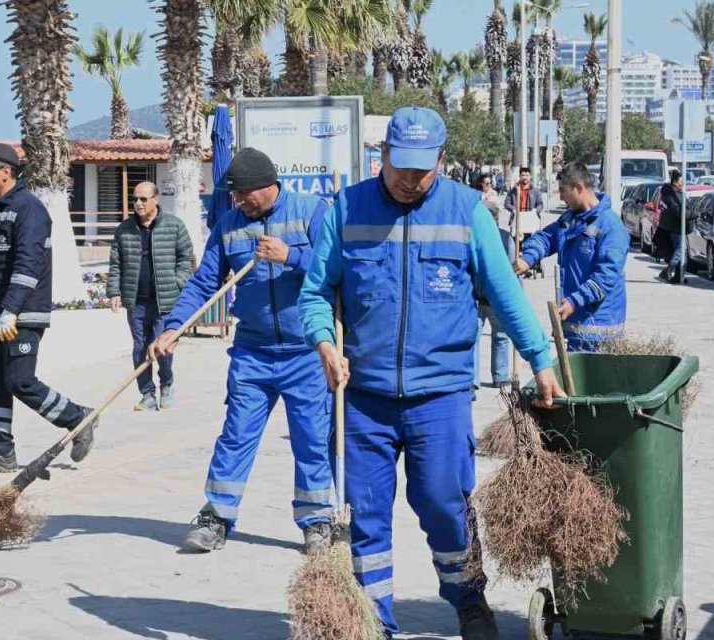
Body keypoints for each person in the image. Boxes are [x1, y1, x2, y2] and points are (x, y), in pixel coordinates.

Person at [299, 106, 566, 640]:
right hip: (364, 398)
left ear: (443, 160)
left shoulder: (466, 210)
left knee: (445, 503)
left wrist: (540, 358)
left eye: (423, 168)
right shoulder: (345, 210)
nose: (409, 179)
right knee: (367, 516)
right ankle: (375, 622)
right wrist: (325, 343)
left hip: (440, 395)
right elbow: (314, 292)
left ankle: (468, 599)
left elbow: (505, 294)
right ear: (383, 155)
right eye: (400, 165)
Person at [148, 148, 335, 555]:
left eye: (243, 195)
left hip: (307, 351)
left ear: (267, 187)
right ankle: (217, 515)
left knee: (312, 439)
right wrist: (175, 326)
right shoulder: (229, 225)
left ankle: (317, 520)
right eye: (233, 196)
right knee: (236, 434)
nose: (237, 202)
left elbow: (338, 268)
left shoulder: (312, 212)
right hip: (252, 351)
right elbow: (203, 283)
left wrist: (292, 256)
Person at [0, 143, 94, 473]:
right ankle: (1, 451)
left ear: (5, 172)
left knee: (20, 380)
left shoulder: (29, 208)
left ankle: (78, 418)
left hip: (21, 312)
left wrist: (11, 309)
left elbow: (29, 263)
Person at [515, 163, 630, 352]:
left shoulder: (612, 228)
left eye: (563, 191)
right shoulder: (571, 219)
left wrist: (575, 301)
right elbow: (547, 237)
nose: (560, 197)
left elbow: (605, 277)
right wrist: (528, 257)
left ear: (579, 188)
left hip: (600, 332)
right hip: (575, 329)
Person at [108, 181, 194, 411]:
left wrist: (178, 282)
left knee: (161, 346)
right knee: (139, 347)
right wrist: (114, 291)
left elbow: (186, 257)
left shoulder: (174, 226)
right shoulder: (124, 229)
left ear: (156, 199)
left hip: (165, 300)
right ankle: (146, 394)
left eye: (143, 199)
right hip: (136, 301)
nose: (138, 203)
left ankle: (166, 386)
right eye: (135, 199)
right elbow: (116, 263)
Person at [475, 199, 516, 389]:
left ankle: (499, 376)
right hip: (476, 298)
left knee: (499, 336)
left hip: (494, 299)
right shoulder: (472, 237)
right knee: (474, 338)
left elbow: (511, 268)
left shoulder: (506, 239)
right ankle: (473, 379)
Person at [657, 169, 685, 284]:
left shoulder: (673, 192)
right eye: (681, 181)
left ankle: (678, 276)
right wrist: (690, 213)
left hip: (675, 226)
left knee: (681, 252)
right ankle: (669, 269)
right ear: (675, 182)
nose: (682, 183)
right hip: (675, 227)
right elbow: (677, 211)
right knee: (681, 248)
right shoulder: (671, 194)